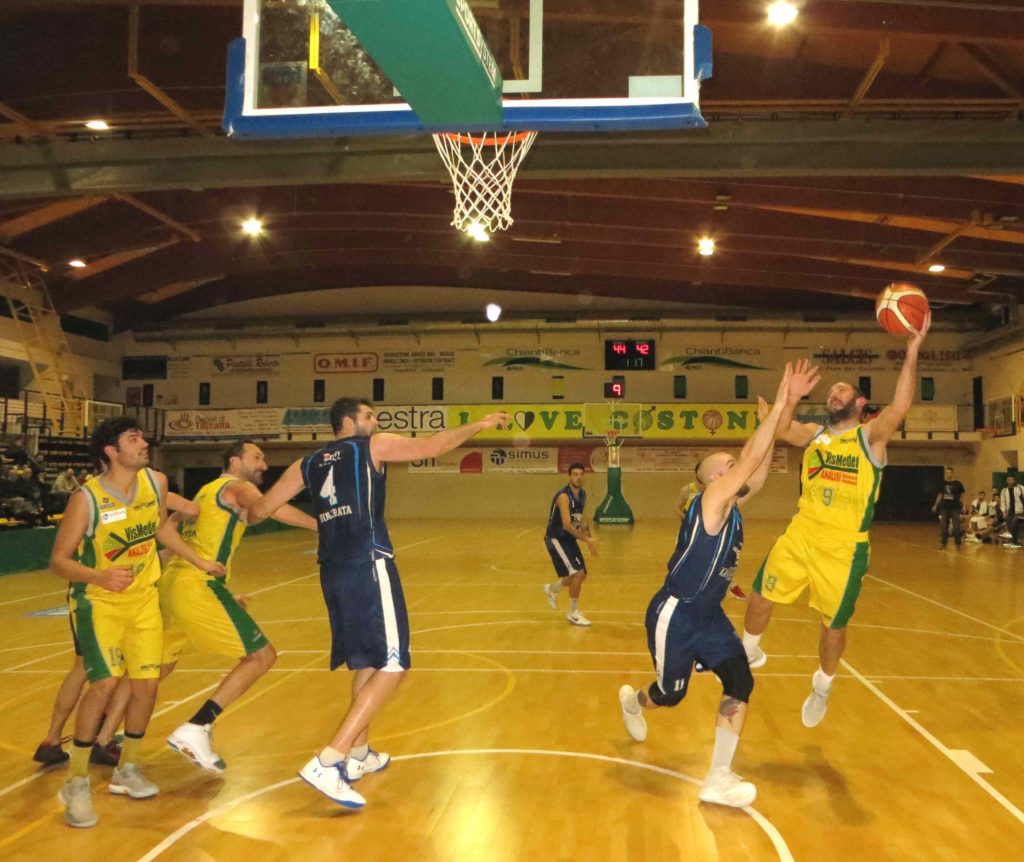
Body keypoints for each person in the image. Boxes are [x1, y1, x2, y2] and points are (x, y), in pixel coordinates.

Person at [247, 398, 509, 810]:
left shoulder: (307, 464)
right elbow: (434, 446)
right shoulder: (370, 445)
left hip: (332, 570)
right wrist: (479, 424)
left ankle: (358, 755)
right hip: (369, 563)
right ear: (349, 422)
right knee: (394, 663)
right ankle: (329, 759)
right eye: (369, 416)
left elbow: (259, 510)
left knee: (367, 664)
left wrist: (314, 522)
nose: (376, 422)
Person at [617, 363, 795, 808]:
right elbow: (751, 462)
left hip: (709, 616)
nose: (741, 470)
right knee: (671, 696)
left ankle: (718, 777)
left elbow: (759, 468)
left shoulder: (733, 503)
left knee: (740, 681)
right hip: (675, 615)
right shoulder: (711, 501)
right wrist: (779, 407)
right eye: (731, 466)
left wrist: (775, 417)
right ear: (716, 479)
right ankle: (636, 701)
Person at [741, 316, 930, 729]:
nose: (833, 393)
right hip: (802, 532)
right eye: (829, 390)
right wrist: (790, 396)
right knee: (758, 596)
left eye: (841, 389)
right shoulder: (815, 434)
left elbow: (900, 407)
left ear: (861, 403)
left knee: (832, 628)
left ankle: (823, 684)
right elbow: (782, 428)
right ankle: (748, 652)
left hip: (844, 548)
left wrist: (912, 350)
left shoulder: (870, 437)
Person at [49, 417, 225, 828]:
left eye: (142, 437)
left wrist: (197, 559)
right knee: (106, 683)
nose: (143, 443)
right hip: (98, 602)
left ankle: (127, 768)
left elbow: (161, 526)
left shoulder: (156, 482)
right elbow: (58, 561)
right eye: (134, 439)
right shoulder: (87, 499)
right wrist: (98, 576)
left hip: (144, 599)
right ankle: (75, 780)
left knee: (146, 687)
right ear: (111, 451)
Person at [161, 439, 317, 773]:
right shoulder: (237, 486)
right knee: (262, 656)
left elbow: (185, 535)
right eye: (257, 457)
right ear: (235, 460)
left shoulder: (206, 491)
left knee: (155, 668)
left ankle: (109, 733)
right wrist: (321, 526)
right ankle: (196, 727)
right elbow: (271, 507)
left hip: (175, 583)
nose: (263, 464)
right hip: (196, 585)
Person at [33, 490, 201, 770]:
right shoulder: (124, 491)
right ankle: (92, 742)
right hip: (99, 596)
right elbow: (191, 507)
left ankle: (55, 740)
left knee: (85, 668)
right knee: (103, 673)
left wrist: (162, 543)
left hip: (115, 592)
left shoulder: (122, 498)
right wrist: (176, 516)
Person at [543, 463, 599, 626]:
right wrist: (586, 540)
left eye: (581, 474)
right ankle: (573, 612)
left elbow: (580, 519)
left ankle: (552, 589)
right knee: (577, 573)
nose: (578, 477)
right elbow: (567, 524)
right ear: (569, 476)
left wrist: (589, 537)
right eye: (575, 474)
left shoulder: (582, 494)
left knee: (581, 575)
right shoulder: (563, 496)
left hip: (568, 539)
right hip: (556, 538)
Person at [932, 466, 965, 550]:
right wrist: (935, 505)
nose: (949, 474)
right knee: (944, 526)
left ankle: (958, 544)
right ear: (945, 474)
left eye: (950, 473)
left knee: (956, 527)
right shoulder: (942, 483)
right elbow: (939, 495)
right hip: (944, 507)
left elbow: (962, 496)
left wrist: (964, 505)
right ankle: (943, 543)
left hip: (955, 508)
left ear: (953, 473)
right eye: (947, 473)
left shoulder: (958, 483)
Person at [999, 474, 1024, 549]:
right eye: (1008, 480)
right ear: (1006, 481)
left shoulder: (1020, 488)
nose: (1010, 481)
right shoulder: (1004, 490)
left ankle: (1015, 542)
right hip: (1010, 511)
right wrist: (1004, 511)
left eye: (1012, 480)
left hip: (1020, 511)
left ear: (1014, 480)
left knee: (1015, 524)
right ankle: (1013, 541)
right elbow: (1003, 502)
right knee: (1010, 527)